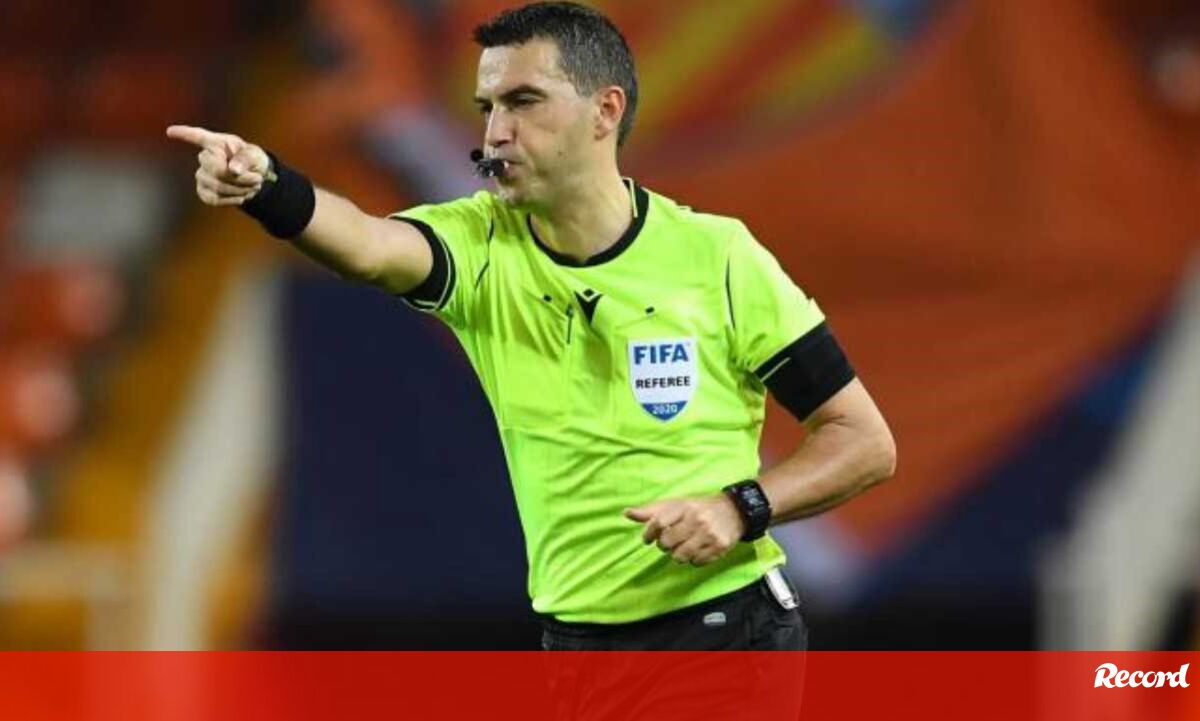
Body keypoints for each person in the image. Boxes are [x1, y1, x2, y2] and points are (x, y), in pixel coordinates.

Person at [166, 2, 895, 653]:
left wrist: (741, 508)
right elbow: (366, 243)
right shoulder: (479, 247)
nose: (495, 133)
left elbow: (862, 441)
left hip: (722, 630)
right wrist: (268, 186)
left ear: (604, 111)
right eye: (486, 107)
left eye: (523, 102)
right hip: (577, 643)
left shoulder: (717, 257)